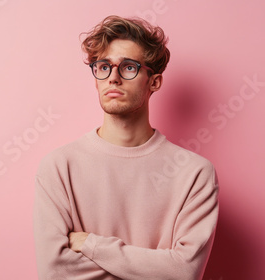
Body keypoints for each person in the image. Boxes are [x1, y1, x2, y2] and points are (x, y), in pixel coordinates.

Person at [32, 15, 219, 280]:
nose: (113, 78)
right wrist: (154, 267)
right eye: (103, 67)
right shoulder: (59, 167)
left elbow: (184, 272)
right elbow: (54, 271)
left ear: (154, 81)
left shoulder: (195, 174)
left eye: (129, 67)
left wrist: (89, 244)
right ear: (96, 78)